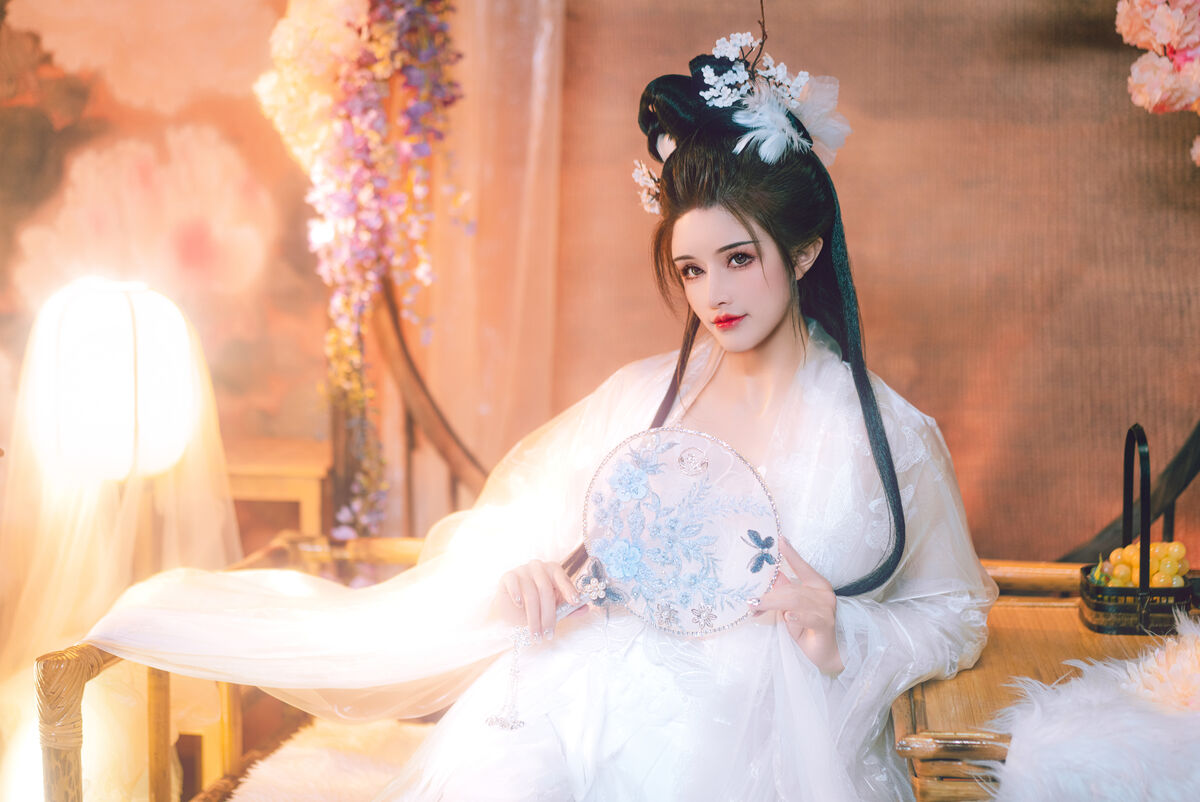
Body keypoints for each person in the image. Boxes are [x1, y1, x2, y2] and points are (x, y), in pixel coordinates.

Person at [88, 33, 997, 802]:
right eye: (690, 270)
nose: (714, 295)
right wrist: (524, 577)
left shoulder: (889, 435)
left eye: (738, 259)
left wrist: (842, 631)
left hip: (760, 739)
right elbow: (537, 534)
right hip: (596, 694)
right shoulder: (643, 399)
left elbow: (955, 613)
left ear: (801, 253)